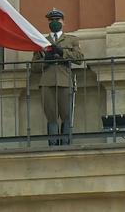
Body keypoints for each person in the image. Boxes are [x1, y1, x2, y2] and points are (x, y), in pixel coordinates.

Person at [32, 8, 84, 146]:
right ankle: (53, 144)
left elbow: (79, 58)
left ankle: (66, 143)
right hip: (47, 81)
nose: (55, 22)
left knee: (66, 115)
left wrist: (62, 53)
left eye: (57, 20)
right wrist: (46, 60)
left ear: (63, 22)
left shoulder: (71, 40)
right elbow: (34, 67)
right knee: (51, 116)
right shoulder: (42, 41)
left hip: (65, 80)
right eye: (52, 20)